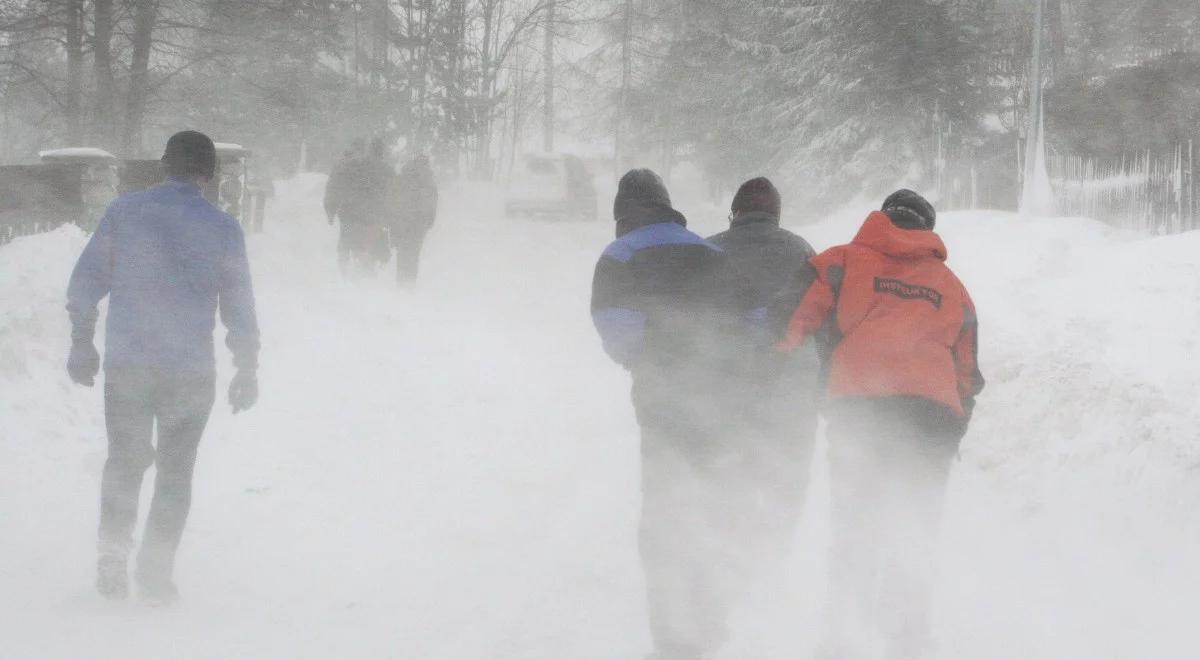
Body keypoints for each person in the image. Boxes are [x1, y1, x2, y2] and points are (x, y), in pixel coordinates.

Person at [776, 189, 984, 659]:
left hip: (861, 407)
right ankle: (907, 642)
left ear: (882, 217)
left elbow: (792, 320)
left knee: (855, 524)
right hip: (930, 417)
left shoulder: (842, 261)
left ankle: (842, 642)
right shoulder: (951, 285)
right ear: (926, 228)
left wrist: (765, 365)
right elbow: (967, 372)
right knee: (915, 528)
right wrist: (954, 424)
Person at [66, 130, 261, 605]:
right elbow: (238, 304)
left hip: (130, 366)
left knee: (125, 461)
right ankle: (154, 572)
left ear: (163, 164)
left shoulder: (124, 213)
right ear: (210, 174)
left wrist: (81, 342)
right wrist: (247, 365)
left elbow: (86, 282)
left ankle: (112, 554)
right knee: (175, 473)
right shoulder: (222, 228)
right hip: (189, 373)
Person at [590, 169, 734, 660]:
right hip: (719, 398)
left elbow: (613, 322)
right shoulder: (711, 252)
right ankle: (711, 621)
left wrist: (646, 360)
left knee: (666, 512)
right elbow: (743, 319)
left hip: (662, 399)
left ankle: (673, 640)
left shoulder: (621, 253)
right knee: (714, 503)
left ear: (623, 212)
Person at [707, 177, 821, 572]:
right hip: (790, 388)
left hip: (724, 386)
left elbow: (690, 319)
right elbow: (820, 317)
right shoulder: (802, 252)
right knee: (785, 475)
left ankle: (726, 555)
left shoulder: (709, 249)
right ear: (776, 214)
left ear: (735, 213)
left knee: (726, 471)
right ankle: (774, 557)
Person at [324, 137, 393, 274]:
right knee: (369, 244)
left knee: (348, 242)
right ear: (382, 152)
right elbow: (394, 194)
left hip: (350, 212)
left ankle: (345, 270)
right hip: (374, 216)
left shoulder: (352, 165)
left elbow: (336, 186)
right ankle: (366, 271)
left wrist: (331, 209)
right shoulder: (387, 170)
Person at [391, 154, 438, 285]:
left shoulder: (403, 176)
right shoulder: (429, 180)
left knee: (402, 251)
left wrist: (393, 218)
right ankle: (410, 282)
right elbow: (432, 203)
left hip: (403, 220)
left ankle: (400, 280)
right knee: (414, 252)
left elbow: (394, 197)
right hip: (420, 224)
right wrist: (429, 222)